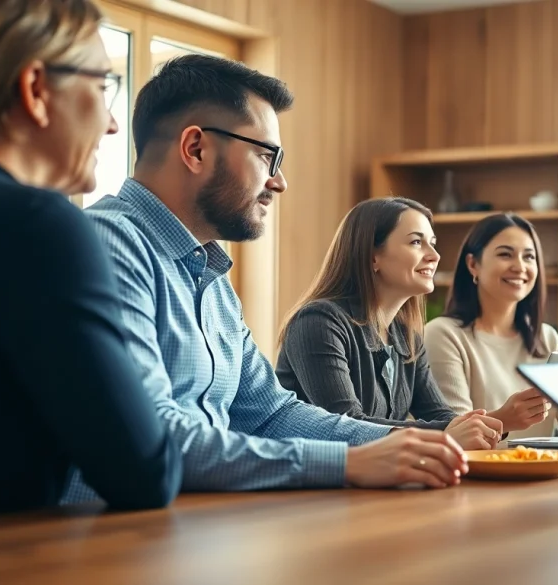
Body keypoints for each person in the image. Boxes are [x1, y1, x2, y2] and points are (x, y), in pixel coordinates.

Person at [63, 54, 467, 503]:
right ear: (196, 149)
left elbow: (271, 414)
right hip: (110, 533)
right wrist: (347, 463)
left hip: (194, 525)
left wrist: (407, 444)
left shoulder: (212, 279)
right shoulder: (109, 244)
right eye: (266, 156)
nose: (280, 182)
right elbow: (154, 433)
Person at [0, 0, 182, 513]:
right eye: (102, 87)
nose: (113, 124)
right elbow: (146, 471)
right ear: (36, 89)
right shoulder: (38, 226)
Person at [275, 198, 504, 450]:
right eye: (416, 242)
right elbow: (347, 425)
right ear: (372, 256)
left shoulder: (407, 336)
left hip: (375, 472)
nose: (435, 256)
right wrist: (450, 433)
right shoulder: (318, 322)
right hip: (314, 472)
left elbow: (439, 414)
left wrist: (488, 424)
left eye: (433, 243)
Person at [426, 213, 558, 439]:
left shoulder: (546, 338)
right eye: (505, 254)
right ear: (473, 264)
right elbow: (457, 436)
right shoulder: (443, 335)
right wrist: (504, 419)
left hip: (543, 462)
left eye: (529, 257)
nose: (520, 266)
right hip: (478, 463)